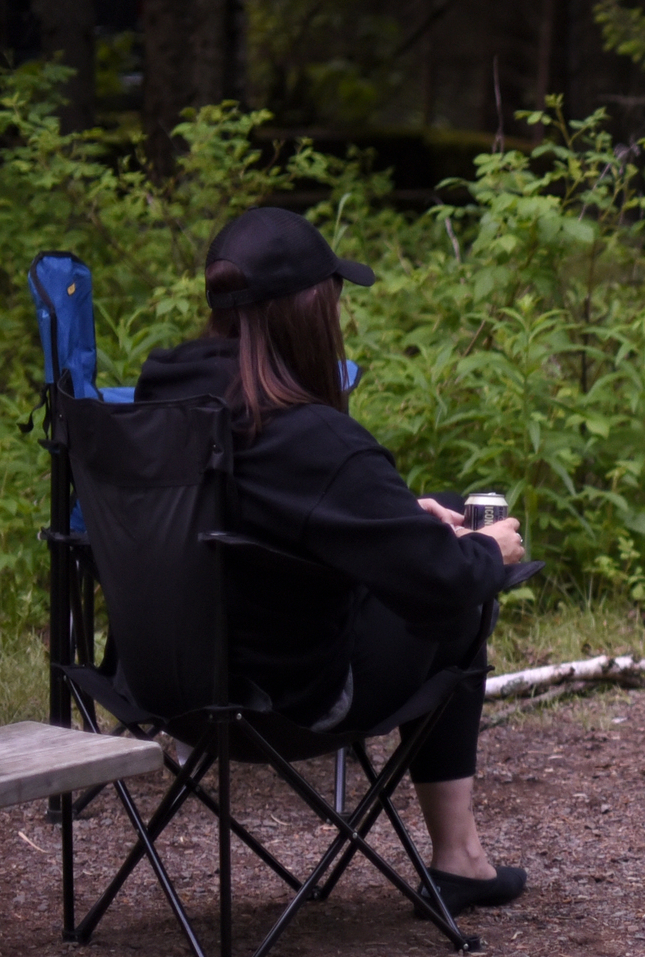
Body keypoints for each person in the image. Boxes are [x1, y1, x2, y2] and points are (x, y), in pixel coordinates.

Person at [132, 207, 532, 914]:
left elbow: (246, 513)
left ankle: (463, 859)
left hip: (164, 686)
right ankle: (461, 861)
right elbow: (442, 581)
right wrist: (484, 551)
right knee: (462, 589)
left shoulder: (169, 398)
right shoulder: (311, 438)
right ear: (314, 311)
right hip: (287, 703)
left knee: (430, 509)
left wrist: (401, 516)